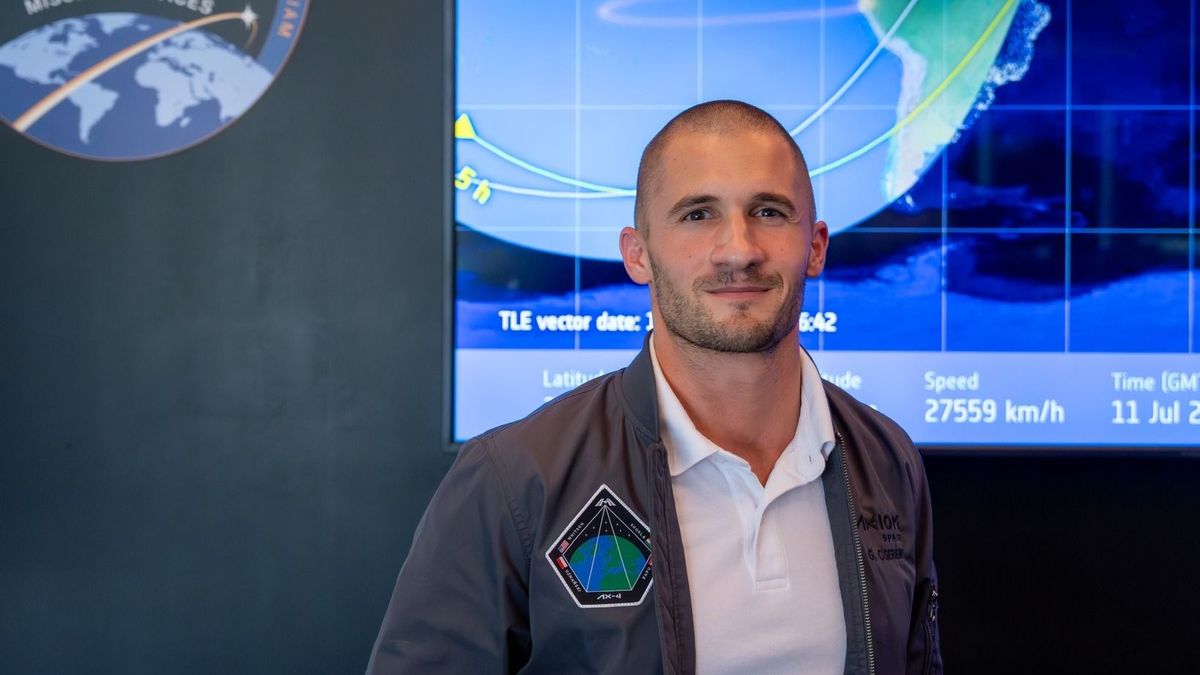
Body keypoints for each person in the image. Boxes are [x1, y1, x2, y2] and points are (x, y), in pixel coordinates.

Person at [367, 100, 941, 675]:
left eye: (768, 211)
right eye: (698, 214)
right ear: (637, 254)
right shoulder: (514, 478)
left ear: (815, 247)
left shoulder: (887, 461)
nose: (739, 250)